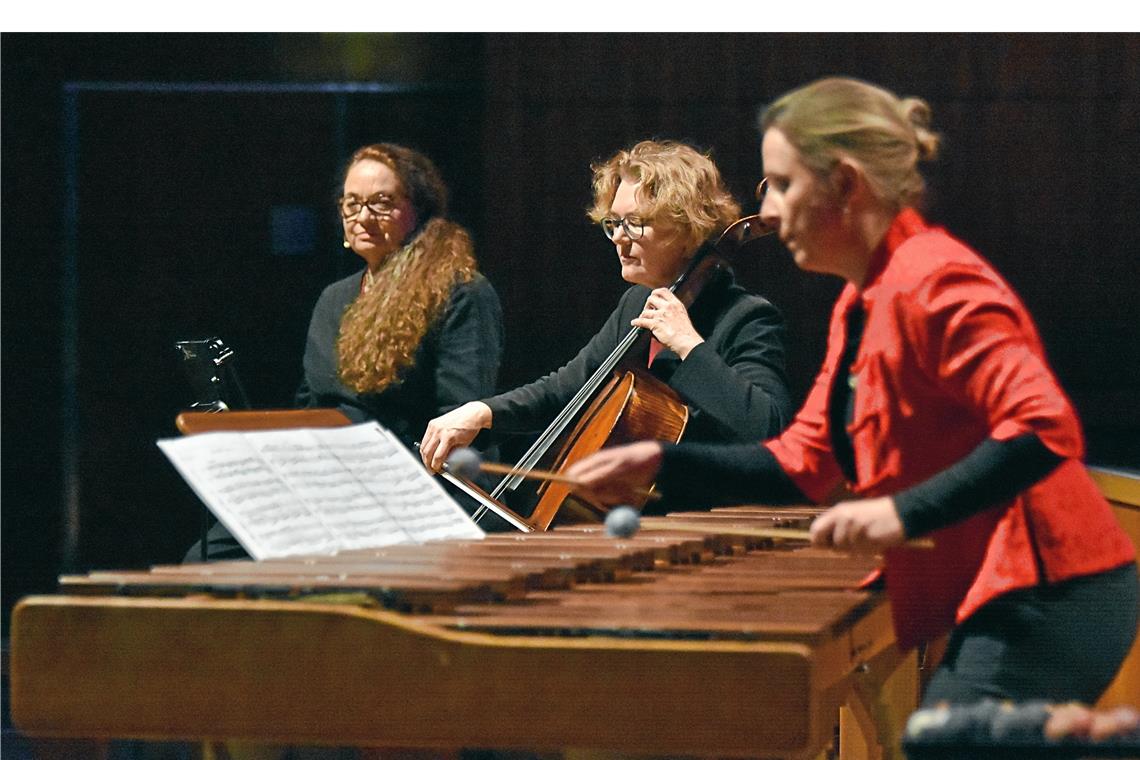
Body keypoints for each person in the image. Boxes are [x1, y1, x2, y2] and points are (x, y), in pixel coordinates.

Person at [565, 78, 1138, 707]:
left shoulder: (936, 281)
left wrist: (898, 514)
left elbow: (1043, 429)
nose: (771, 213)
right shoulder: (859, 301)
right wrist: (665, 461)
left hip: (1052, 586)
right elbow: (803, 458)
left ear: (844, 184)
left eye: (782, 185)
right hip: (996, 585)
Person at [419, 139, 794, 492]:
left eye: (636, 222)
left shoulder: (746, 318)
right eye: (613, 223)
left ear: (687, 229)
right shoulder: (636, 304)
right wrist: (483, 412)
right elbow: (569, 388)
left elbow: (769, 429)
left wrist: (688, 344)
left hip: (704, 523)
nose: (618, 237)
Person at [187, 143, 503, 561]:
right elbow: (310, 404)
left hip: (414, 482)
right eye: (352, 204)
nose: (363, 217)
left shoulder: (461, 292)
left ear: (419, 211)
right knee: (209, 558)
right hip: (329, 478)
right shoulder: (334, 300)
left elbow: (459, 420)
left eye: (381, 203)